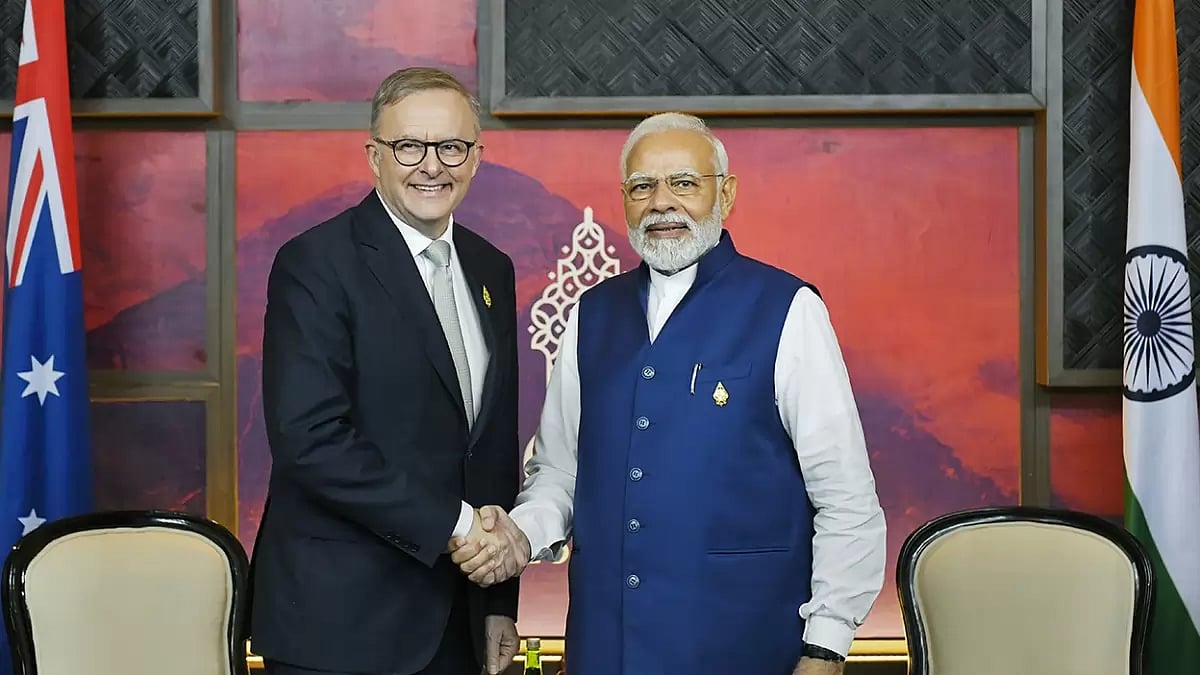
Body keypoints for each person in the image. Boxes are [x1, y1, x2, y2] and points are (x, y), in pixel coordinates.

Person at [451, 112, 887, 675]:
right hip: (604, 648)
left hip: (746, 649)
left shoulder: (788, 309)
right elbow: (560, 472)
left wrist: (826, 646)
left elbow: (845, 496)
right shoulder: (591, 314)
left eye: (683, 183)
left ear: (725, 194)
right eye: (642, 186)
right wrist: (518, 537)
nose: (661, 203)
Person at [251, 67, 524, 675]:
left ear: (477, 157)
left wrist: (497, 601)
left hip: (455, 621)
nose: (433, 165)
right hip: (340, 624)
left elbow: (491, 448)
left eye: (452, 147)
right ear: (374, 156)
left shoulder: (491, 268)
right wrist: (457, 526)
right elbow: (310, 440)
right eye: (409, 146)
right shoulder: (315, 263)